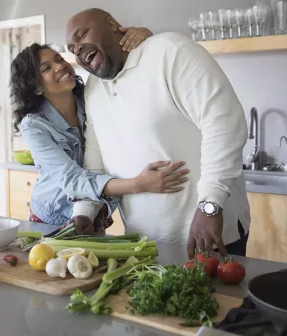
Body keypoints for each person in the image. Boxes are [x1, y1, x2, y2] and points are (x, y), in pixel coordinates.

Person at [66, 9, 251, 258]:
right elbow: (96, 159)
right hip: (142, 245)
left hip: (208, 234)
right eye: (72, 48)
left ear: (111, 24)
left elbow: (224, 124)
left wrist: (210, 206)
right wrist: (85, 212)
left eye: (82, 35)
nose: (77, 49)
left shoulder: (170, 52)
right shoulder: (93, 88)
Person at [10, 27, 190, 232]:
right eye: (46, 68)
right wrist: (138, 184)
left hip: (94, 211)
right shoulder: (33, 126)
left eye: (59, 59)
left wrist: (143, 38)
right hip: (52, 217)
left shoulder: (92, 98)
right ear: (35, 87)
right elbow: (74, 180)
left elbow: (122, 70)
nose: (59, 67)